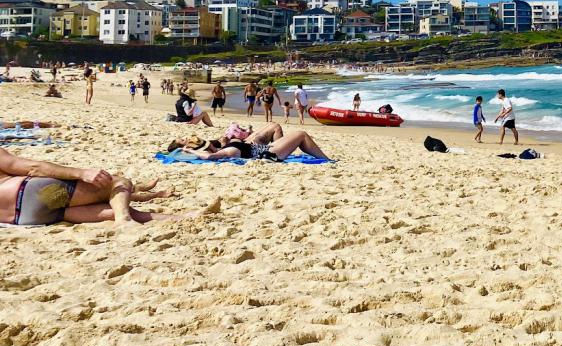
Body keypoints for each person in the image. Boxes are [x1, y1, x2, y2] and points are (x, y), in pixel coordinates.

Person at [1, 147, 217, 225]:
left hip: (24, 217)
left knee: (114, 209)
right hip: (32, 194)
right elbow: (33, 168)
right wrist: (81, 173)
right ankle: (124, 221)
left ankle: (186, 217)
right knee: (119, 183)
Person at [177, 127, 331, 162]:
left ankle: (324, 158)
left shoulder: (225, 147)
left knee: (297, 134)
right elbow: (210, 156)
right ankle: (326, 160)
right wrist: (190, 151)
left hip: (265, 149)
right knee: (301, 134)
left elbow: (211, 152)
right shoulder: (228, 150)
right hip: (269, 153)